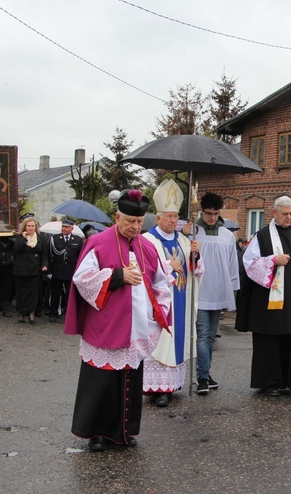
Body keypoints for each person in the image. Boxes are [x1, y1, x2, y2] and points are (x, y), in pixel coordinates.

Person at [64, 189, 171, 450]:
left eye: (139, 222)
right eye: (130, 221)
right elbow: (82, 279)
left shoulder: (147, 247)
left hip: (136, 326)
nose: (135, 227)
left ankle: (123, 432)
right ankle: (97, 435)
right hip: (106, 324)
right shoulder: (98, 243)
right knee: (102, 382)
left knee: (129, 382)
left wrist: (158, 311)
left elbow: (161, 283)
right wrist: (117, 277)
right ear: (117, 217)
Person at [236, 196, 291, 396]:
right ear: (274, 213)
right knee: (271, 342)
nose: (289, 217)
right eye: (285, 214)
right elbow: (249, 263)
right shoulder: (263, 236)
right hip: (272, 303)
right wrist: (273, 260)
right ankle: (270, 383)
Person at [143, 179, 203, 407]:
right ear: (158, 218)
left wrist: (195, 256)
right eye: (169, 216)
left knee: (177, 339)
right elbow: (144, 269)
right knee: (160, 341)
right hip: (159, 303)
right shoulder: (147, 241)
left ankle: (170, 386)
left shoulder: (186, 241)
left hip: (181, 301)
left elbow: (196, 271)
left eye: (176, 216)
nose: (173, 220)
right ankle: (156, 389)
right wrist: (168, 266)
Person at [192, 192, 239, 395]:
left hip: (219, 290)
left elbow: (232, 265)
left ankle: (206, 373)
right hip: (200, 291)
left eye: (215, 213)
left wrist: (232, 290)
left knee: (211, 337)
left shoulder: (227, 235)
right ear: (202, 211)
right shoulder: (192, 232)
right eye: (208, 213)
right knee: (202, 336)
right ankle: (202, 377)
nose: (212, 217)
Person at [47, 219, 83, 323]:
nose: (64, 229)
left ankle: (69, 314)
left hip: (70, 271)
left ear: (72, 228)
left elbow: (79, 257)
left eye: (66, 227)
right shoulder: (55, 238)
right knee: (55, 293)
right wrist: (49, 271)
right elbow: (50, 255)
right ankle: (53, 313)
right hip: (57, 270)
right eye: (63, 227)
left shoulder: (77, 240)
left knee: (69, 294)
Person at [13, 216, 48, 324]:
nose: (30, 228)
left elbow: (44, 253)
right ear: (25, 227)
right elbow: (16, 249)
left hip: (35, 269)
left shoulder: (40, 238)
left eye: (32, 226)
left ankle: (31, 313)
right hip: (21, 270)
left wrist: (45, 265)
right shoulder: (19, 237)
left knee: (33, 293)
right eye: (28, 226)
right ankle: (21, 313)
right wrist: (24, 238)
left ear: (36, 227)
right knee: (21, 293)